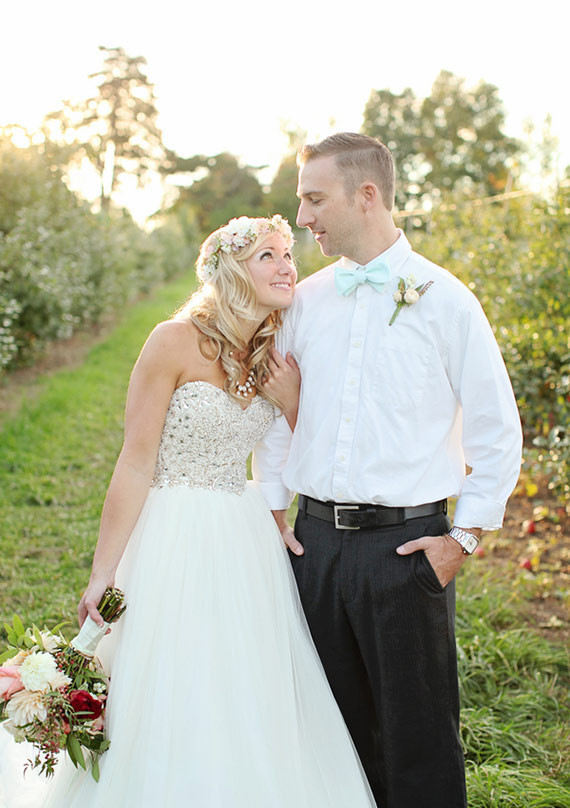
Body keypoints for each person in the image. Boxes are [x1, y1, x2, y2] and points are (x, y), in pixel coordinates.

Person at [0, 215, 377, 808]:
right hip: (172, 530)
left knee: (243, 678)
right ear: (232, 270)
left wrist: (292, 405)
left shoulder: (278, 352)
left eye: (288, 254)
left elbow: (306, 457)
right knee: (174, 673)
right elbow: (135, 463)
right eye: (268, 255)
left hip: (244, 535)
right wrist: (103, 571)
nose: (287, 266)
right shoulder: (172, 340)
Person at [252, 134, 523, 808]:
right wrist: (275, 512)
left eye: (315, 199)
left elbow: (496, 429)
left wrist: (463, 539)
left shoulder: (447, 300)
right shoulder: (304, 302)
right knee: (328, 733)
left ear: (366, 195)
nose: (304, 218)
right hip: (314, 547)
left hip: (407, 550)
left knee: (419, 738)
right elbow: (280, 412)